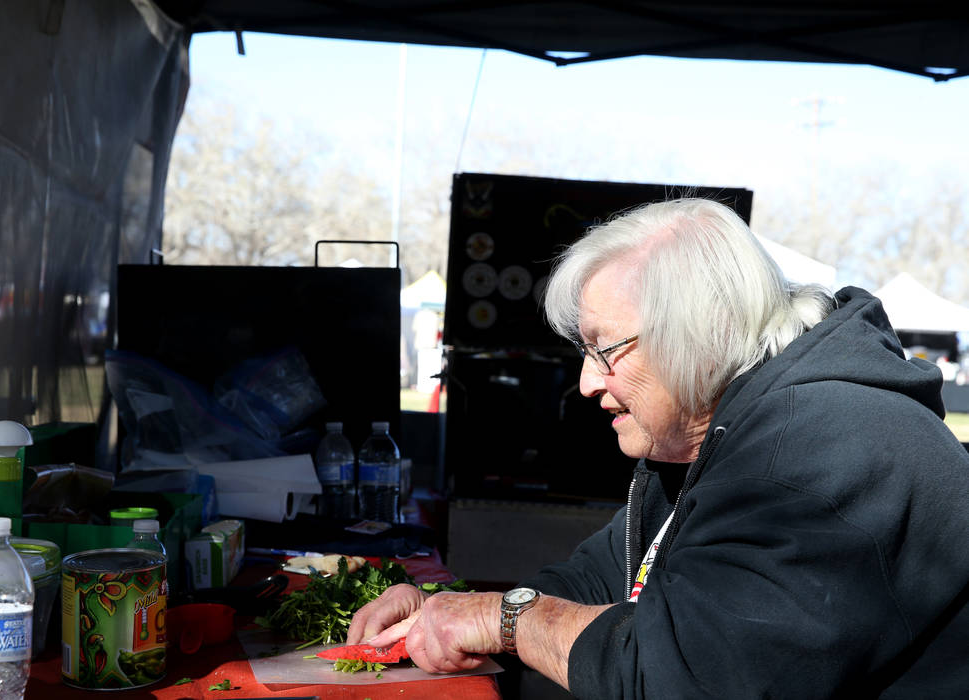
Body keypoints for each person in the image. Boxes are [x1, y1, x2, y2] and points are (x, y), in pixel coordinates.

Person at [347, 198, 969, 699]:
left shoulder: (818, 452)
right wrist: (453, 613)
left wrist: (505, 621)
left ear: (700, 336)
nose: (587, 382)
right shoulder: (719, 436)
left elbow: (687, 677)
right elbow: (601, 575)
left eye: (605, 349)